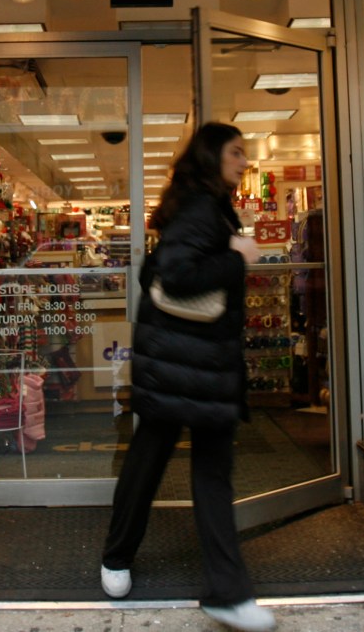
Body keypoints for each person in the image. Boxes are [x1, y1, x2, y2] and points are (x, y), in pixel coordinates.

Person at [100, 121, 275, 632]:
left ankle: (225, 590)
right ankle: (119, 558)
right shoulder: (203, 208)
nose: (244, 161)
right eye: (236, 152)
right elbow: (174, 275)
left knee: (184, 468)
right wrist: (235, 257)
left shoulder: (204, 203)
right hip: (183, 365)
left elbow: (153, 270)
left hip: (195, 364)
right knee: (161, 465)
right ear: (211, 157)